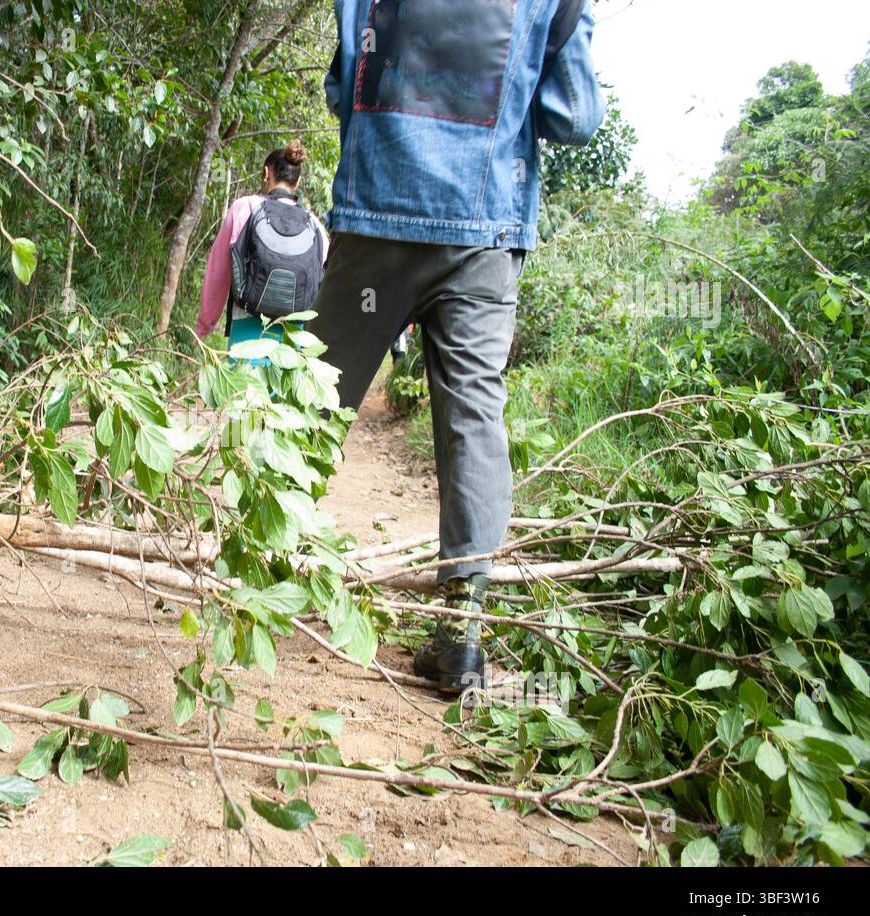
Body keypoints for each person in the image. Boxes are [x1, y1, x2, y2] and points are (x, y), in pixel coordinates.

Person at [312, 0, 606, 693]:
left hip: (378, 219)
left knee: (315, 396)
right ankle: (461, 635)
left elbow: (341, 87)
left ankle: (252, 573)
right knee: (474, 417)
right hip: (482, 237)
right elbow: (575, 117)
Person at [196, 141, 330, 357]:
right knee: (278, 389)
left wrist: (206, 323)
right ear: (297, 183)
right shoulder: (314, 225)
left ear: (266, 173)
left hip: (246, 326)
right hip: (292, 335)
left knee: (244, 389)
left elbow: (218, 272)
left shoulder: (244, 208)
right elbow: (324, 281)